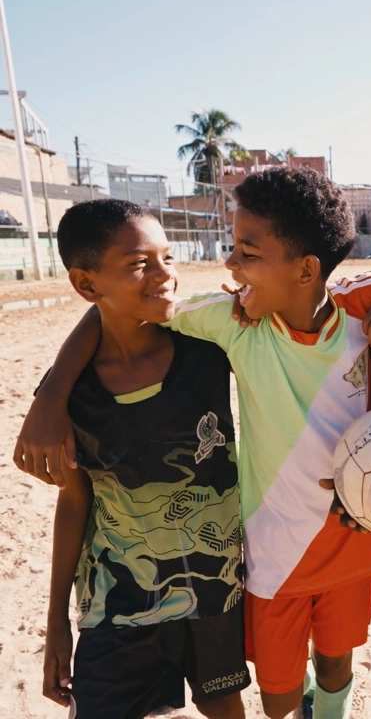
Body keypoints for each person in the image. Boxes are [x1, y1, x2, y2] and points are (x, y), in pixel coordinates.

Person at [15, 167, 371, 719]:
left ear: (306, 269)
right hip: (272, 559)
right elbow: (126, 306)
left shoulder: (363, 305)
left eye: (246, 252)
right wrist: (52, 391)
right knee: (278, 695)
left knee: (336, 665)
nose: (231, 267)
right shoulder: (233, 323)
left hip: (353, 543)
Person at [39, 200, 249, 719]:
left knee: (223, 704)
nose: (164, 276)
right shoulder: (74, 397)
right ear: (88, 285)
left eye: (168, 258)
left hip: (215, 590)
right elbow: (74, 501)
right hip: (119, 601)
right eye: (139, 264)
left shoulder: (207, 347)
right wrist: (57, 620)